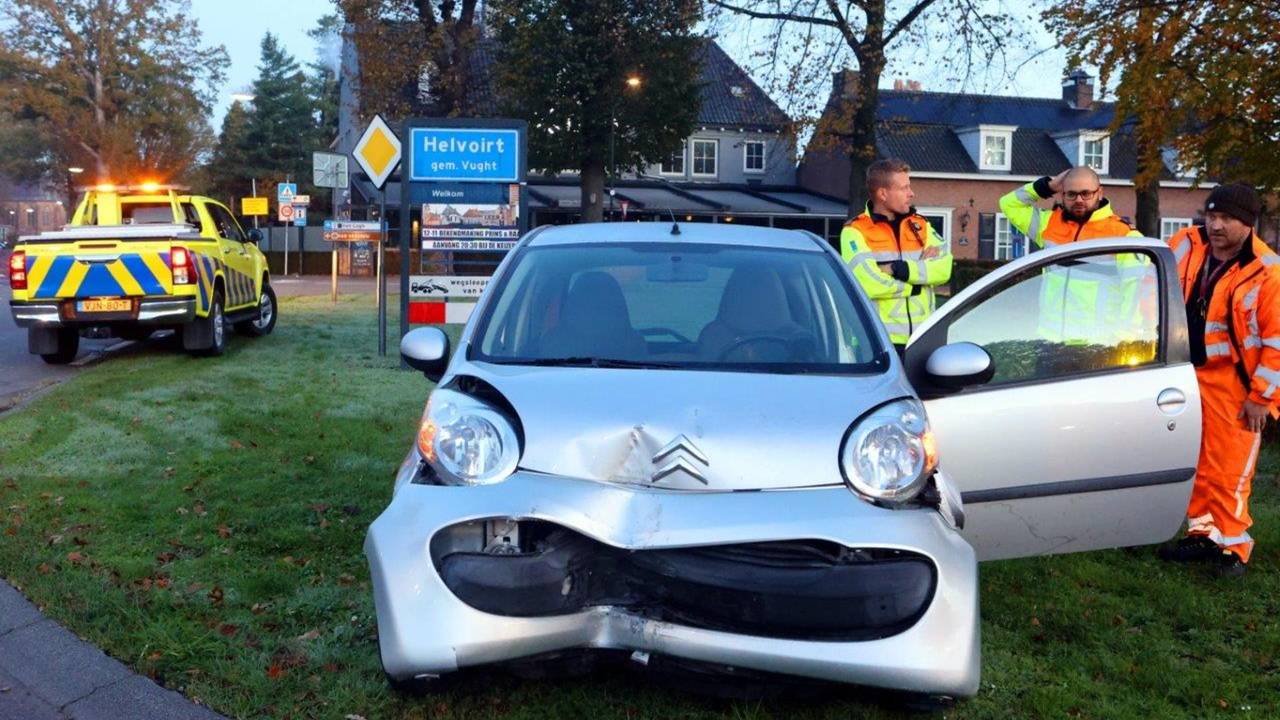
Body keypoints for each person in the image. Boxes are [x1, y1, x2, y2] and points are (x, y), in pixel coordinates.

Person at [1159, 183, 1280, 577]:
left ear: (1248, 223)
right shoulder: (1186, 244)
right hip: (1186, 373)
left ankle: (1233, 546)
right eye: (1211, 216)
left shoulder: (1267, 271)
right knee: (1196, 462)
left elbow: (1277, 343)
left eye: (1226, 218)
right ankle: (1203, 534)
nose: (1216, 225)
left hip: (1234, 383)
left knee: (1229, 469)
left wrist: (1262, 396)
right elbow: (1151, 280)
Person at [1000, 167, 1149, 359]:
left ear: (1099, 192)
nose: (1079, 200)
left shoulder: (1125, 236)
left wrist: (1120, 343)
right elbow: (1009, 204)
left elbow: (1136, 296)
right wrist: (1048, 185)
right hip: (1049, 343)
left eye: (1086, 193)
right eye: (1071, 194)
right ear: (1062, 195)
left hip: (1098, 347)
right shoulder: (1049, 224)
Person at [840, 159, 952, 355]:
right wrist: (917, 282)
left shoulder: (920, 225)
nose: (911, 193)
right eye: (904, 188)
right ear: (883, 194)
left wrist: (896, 269)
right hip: (877, 343)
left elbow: (944, 268)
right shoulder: (855, 231)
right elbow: (868, 284)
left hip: (923, 340)